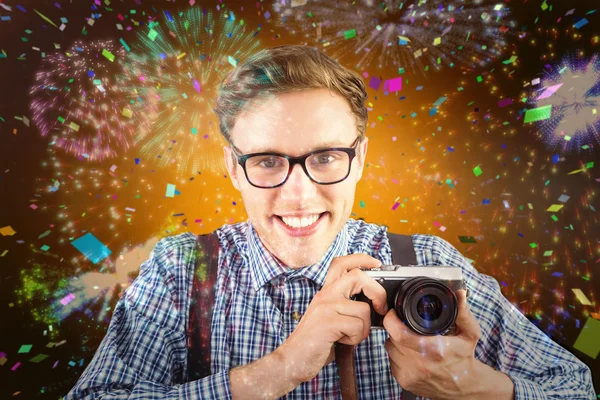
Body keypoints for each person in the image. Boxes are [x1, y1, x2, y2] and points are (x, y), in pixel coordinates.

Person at [64, 45, 595, 399]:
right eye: (268, 161)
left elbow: (575, 385)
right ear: (233, 167)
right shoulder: (178, 273)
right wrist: (278, 370)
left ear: (359, 159)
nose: (299, 194)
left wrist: (478, 387)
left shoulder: (429, 265)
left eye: (324, 158)